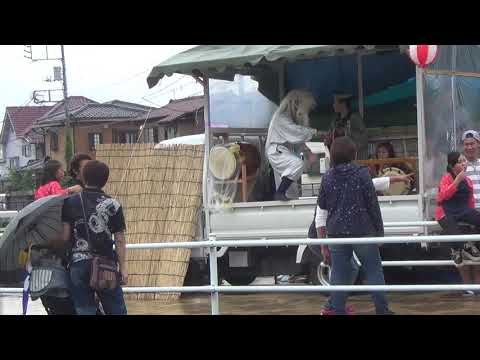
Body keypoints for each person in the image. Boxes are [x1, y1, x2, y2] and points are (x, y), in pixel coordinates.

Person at [310, 174, 413, 315]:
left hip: (333, 235)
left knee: (351, 269)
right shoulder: (333, 187)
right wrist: (324, 246)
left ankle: (334, 305)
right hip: (321, 236)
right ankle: (332, 307)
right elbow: (320, 219)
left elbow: (376, 182)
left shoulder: (344, 184)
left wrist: (398, 178)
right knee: (344, 271)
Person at [317, 136, 393, 315]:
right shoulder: (362, 173)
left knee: (338, 274)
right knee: (374, 271)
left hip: (336, 232)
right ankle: (382, 310)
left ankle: (337, 310)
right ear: (353, 153)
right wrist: (379, 232)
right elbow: (372, 205)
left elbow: (322, 205)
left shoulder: (327, 177)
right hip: (363, 230)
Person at [61, 160, 128, 315]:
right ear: (105, 180)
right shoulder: (113, 204)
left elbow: (65, 237)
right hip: (106, 265)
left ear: (83, 177)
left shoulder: (70, 202)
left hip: (78, 264)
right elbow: (119, 238)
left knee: (85, 310)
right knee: (116, 310)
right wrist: (123, 268)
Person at [266, 89, 319, 201]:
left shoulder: (288, 119)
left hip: (281, 152)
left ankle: (283, 198)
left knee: (291, 191)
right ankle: (279, 193)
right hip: (277, 151)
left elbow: (297, 141)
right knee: (297, 164)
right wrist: (316, 132)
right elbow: (296, 131)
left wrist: (308, 153)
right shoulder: (281, 118)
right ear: (296, 104)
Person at [435, 151, 480, 268]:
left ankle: (471, 245)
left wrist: (473, 214)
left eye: (465, 161)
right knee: (453, 231)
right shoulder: (446, 178)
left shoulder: (468, 181)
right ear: (452, 166)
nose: (464, 164)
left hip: (463, 209)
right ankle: (460, 248)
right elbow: (441, 197)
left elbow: (471, 201)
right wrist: (457, 181)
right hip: (446, 211)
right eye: (460, 162)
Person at [460, 130, 480, 294]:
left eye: (472, 143)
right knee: (466, 253)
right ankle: (469, 288)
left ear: (478, 144)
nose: (470, 147)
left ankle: (477, 287)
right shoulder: (459, 166)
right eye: (466, 144)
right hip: (465, 216)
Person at [326, 93, 368, 159]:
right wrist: (328, 140)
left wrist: (352, 147)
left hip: (353, 159)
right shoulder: (335, 122)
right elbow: (330, 138)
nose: (333, 105)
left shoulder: (354, 118)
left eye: (335, 103)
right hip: (338, 159)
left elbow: (363, 138)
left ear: (343, 104)